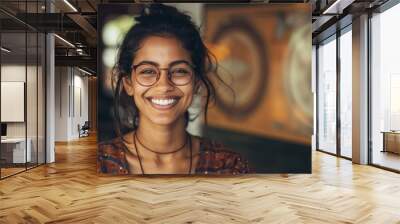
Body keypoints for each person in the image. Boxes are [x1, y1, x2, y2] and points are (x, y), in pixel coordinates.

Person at [98, 3, 249, 175]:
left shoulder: (228, 166)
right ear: (128, 84)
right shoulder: (100, 164)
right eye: (148, 71)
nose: (163, 86)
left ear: (197, 82)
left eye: (179, 71)